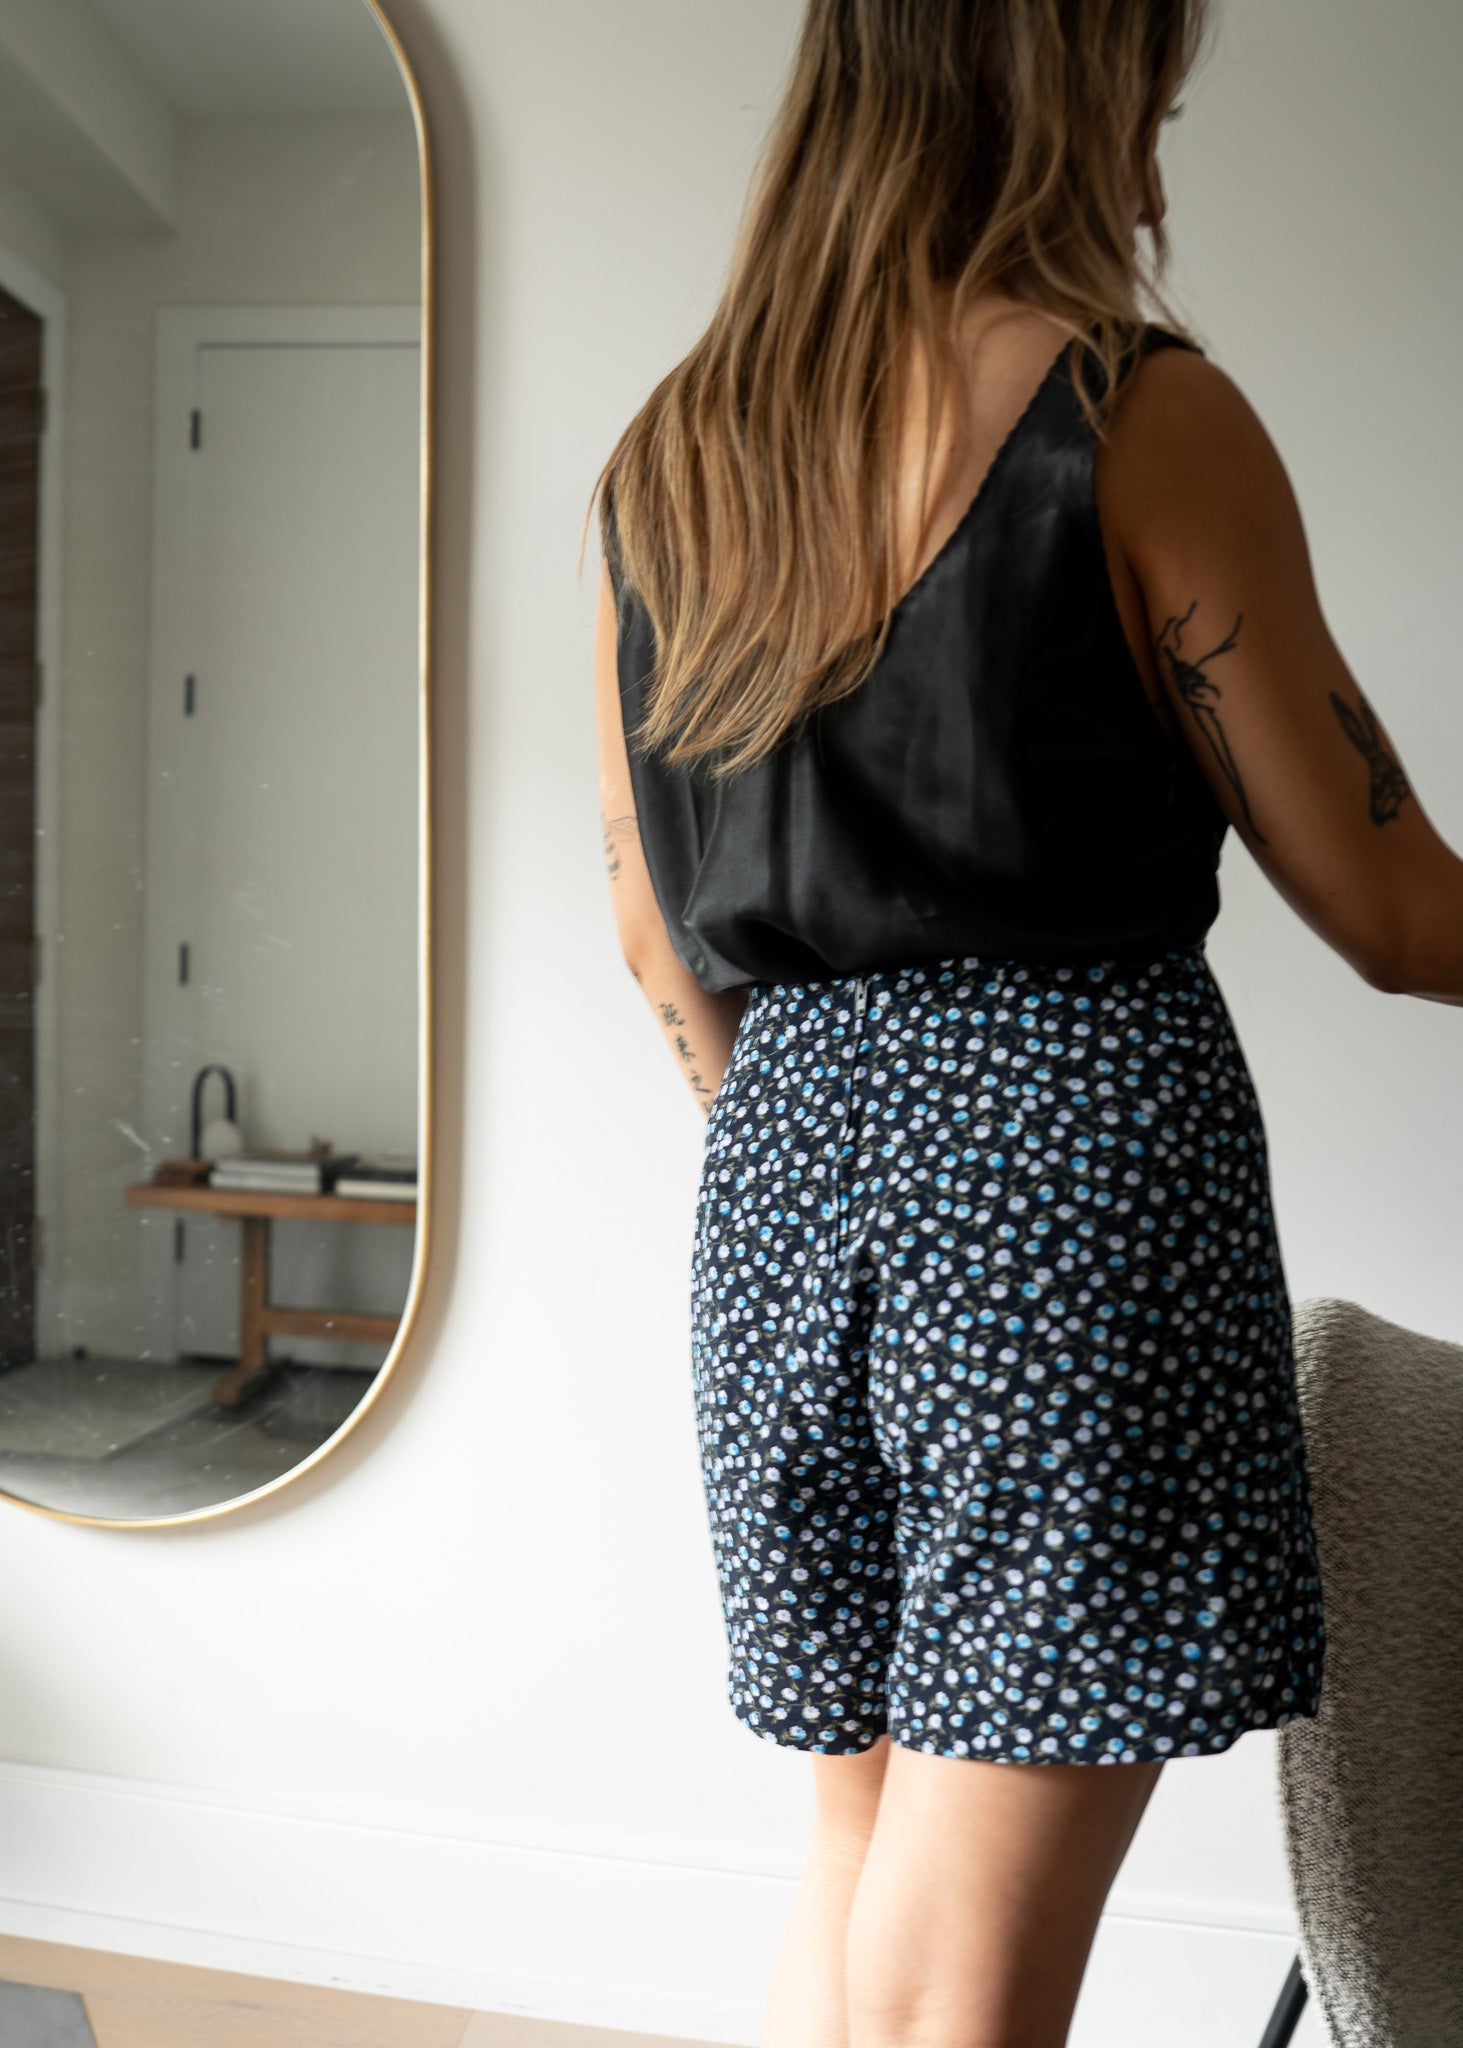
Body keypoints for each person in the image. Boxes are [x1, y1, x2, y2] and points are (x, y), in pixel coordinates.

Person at [588, 3, 1463, 2042]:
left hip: (780, 1193)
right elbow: (1394, 903)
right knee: (963, 1986)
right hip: (1061, 1194)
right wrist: (984, 1141)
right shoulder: (1131, 415)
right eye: (1146, 75)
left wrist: (838, 1135)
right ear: (1066, 78)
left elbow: (654, 939)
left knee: (863, 1845)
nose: (1157, 127)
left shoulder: (670, 462)